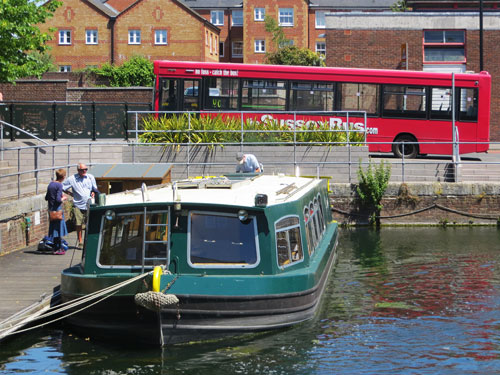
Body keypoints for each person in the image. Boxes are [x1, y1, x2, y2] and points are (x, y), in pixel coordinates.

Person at [62, 162, 99, 246]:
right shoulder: (72, 179)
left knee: (89, 223)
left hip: (89, 204)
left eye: (86, 169)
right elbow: (62, 187)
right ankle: (80, 240)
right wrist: (70, 194)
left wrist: (93, 192)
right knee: (78, 224)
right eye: (82, 170)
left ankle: (88, 240)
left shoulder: (90, 177)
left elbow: (94, 188)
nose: (84, 171)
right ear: (78, 170)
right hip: (78, 205)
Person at [45, 169, 68, 255]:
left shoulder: (51, 184)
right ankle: (58, 248)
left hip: (51, 210)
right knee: (59, 229)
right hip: (57, 210)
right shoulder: (59, 185)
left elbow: (46, 197)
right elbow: (58, 200)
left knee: (54, 229)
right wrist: (63, 198)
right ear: (63, 177)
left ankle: (55, 248)